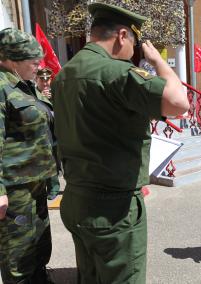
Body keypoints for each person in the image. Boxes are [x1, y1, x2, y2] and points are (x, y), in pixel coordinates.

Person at [51, 3, 189, 283]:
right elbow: (179, 103)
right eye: (135, 44)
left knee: (90, 276)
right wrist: (159, 61)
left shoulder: (64, 74)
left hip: (77, 198)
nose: (134, 52)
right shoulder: (116, 72)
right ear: (122, 35)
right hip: (113, 209)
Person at [0, 28, 57, 283]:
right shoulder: (2, 88)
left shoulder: (25, 86)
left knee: (39, 244)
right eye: (32, 62)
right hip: (14, 189)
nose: (38, 66)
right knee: (18, 253)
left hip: (36, 182)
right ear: (11, 61)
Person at [35, 67, 61, 200]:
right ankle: (50, 189)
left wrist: (53, 99)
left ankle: (54, 188)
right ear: (37, 79)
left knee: (56, 161)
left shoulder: (56, 92)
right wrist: (41, 98)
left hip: (56, 131)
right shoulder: (32, 92)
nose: (45, 83)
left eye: (47, 80)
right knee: (46, 161)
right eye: (42, 80)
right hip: (42, 133)